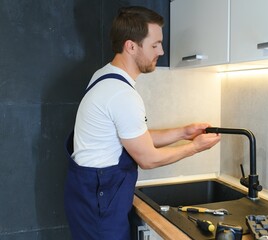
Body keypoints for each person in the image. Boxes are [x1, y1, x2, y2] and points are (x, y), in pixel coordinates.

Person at [64, 6, 221, 240]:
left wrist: (183, 132)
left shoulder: (104, 76)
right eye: (155, 45)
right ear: (131, 46)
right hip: (100, 204)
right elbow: (148, 158)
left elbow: (134, 136)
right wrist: (195, 147)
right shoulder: (121, 94)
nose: (162, 50)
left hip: (90, 199)